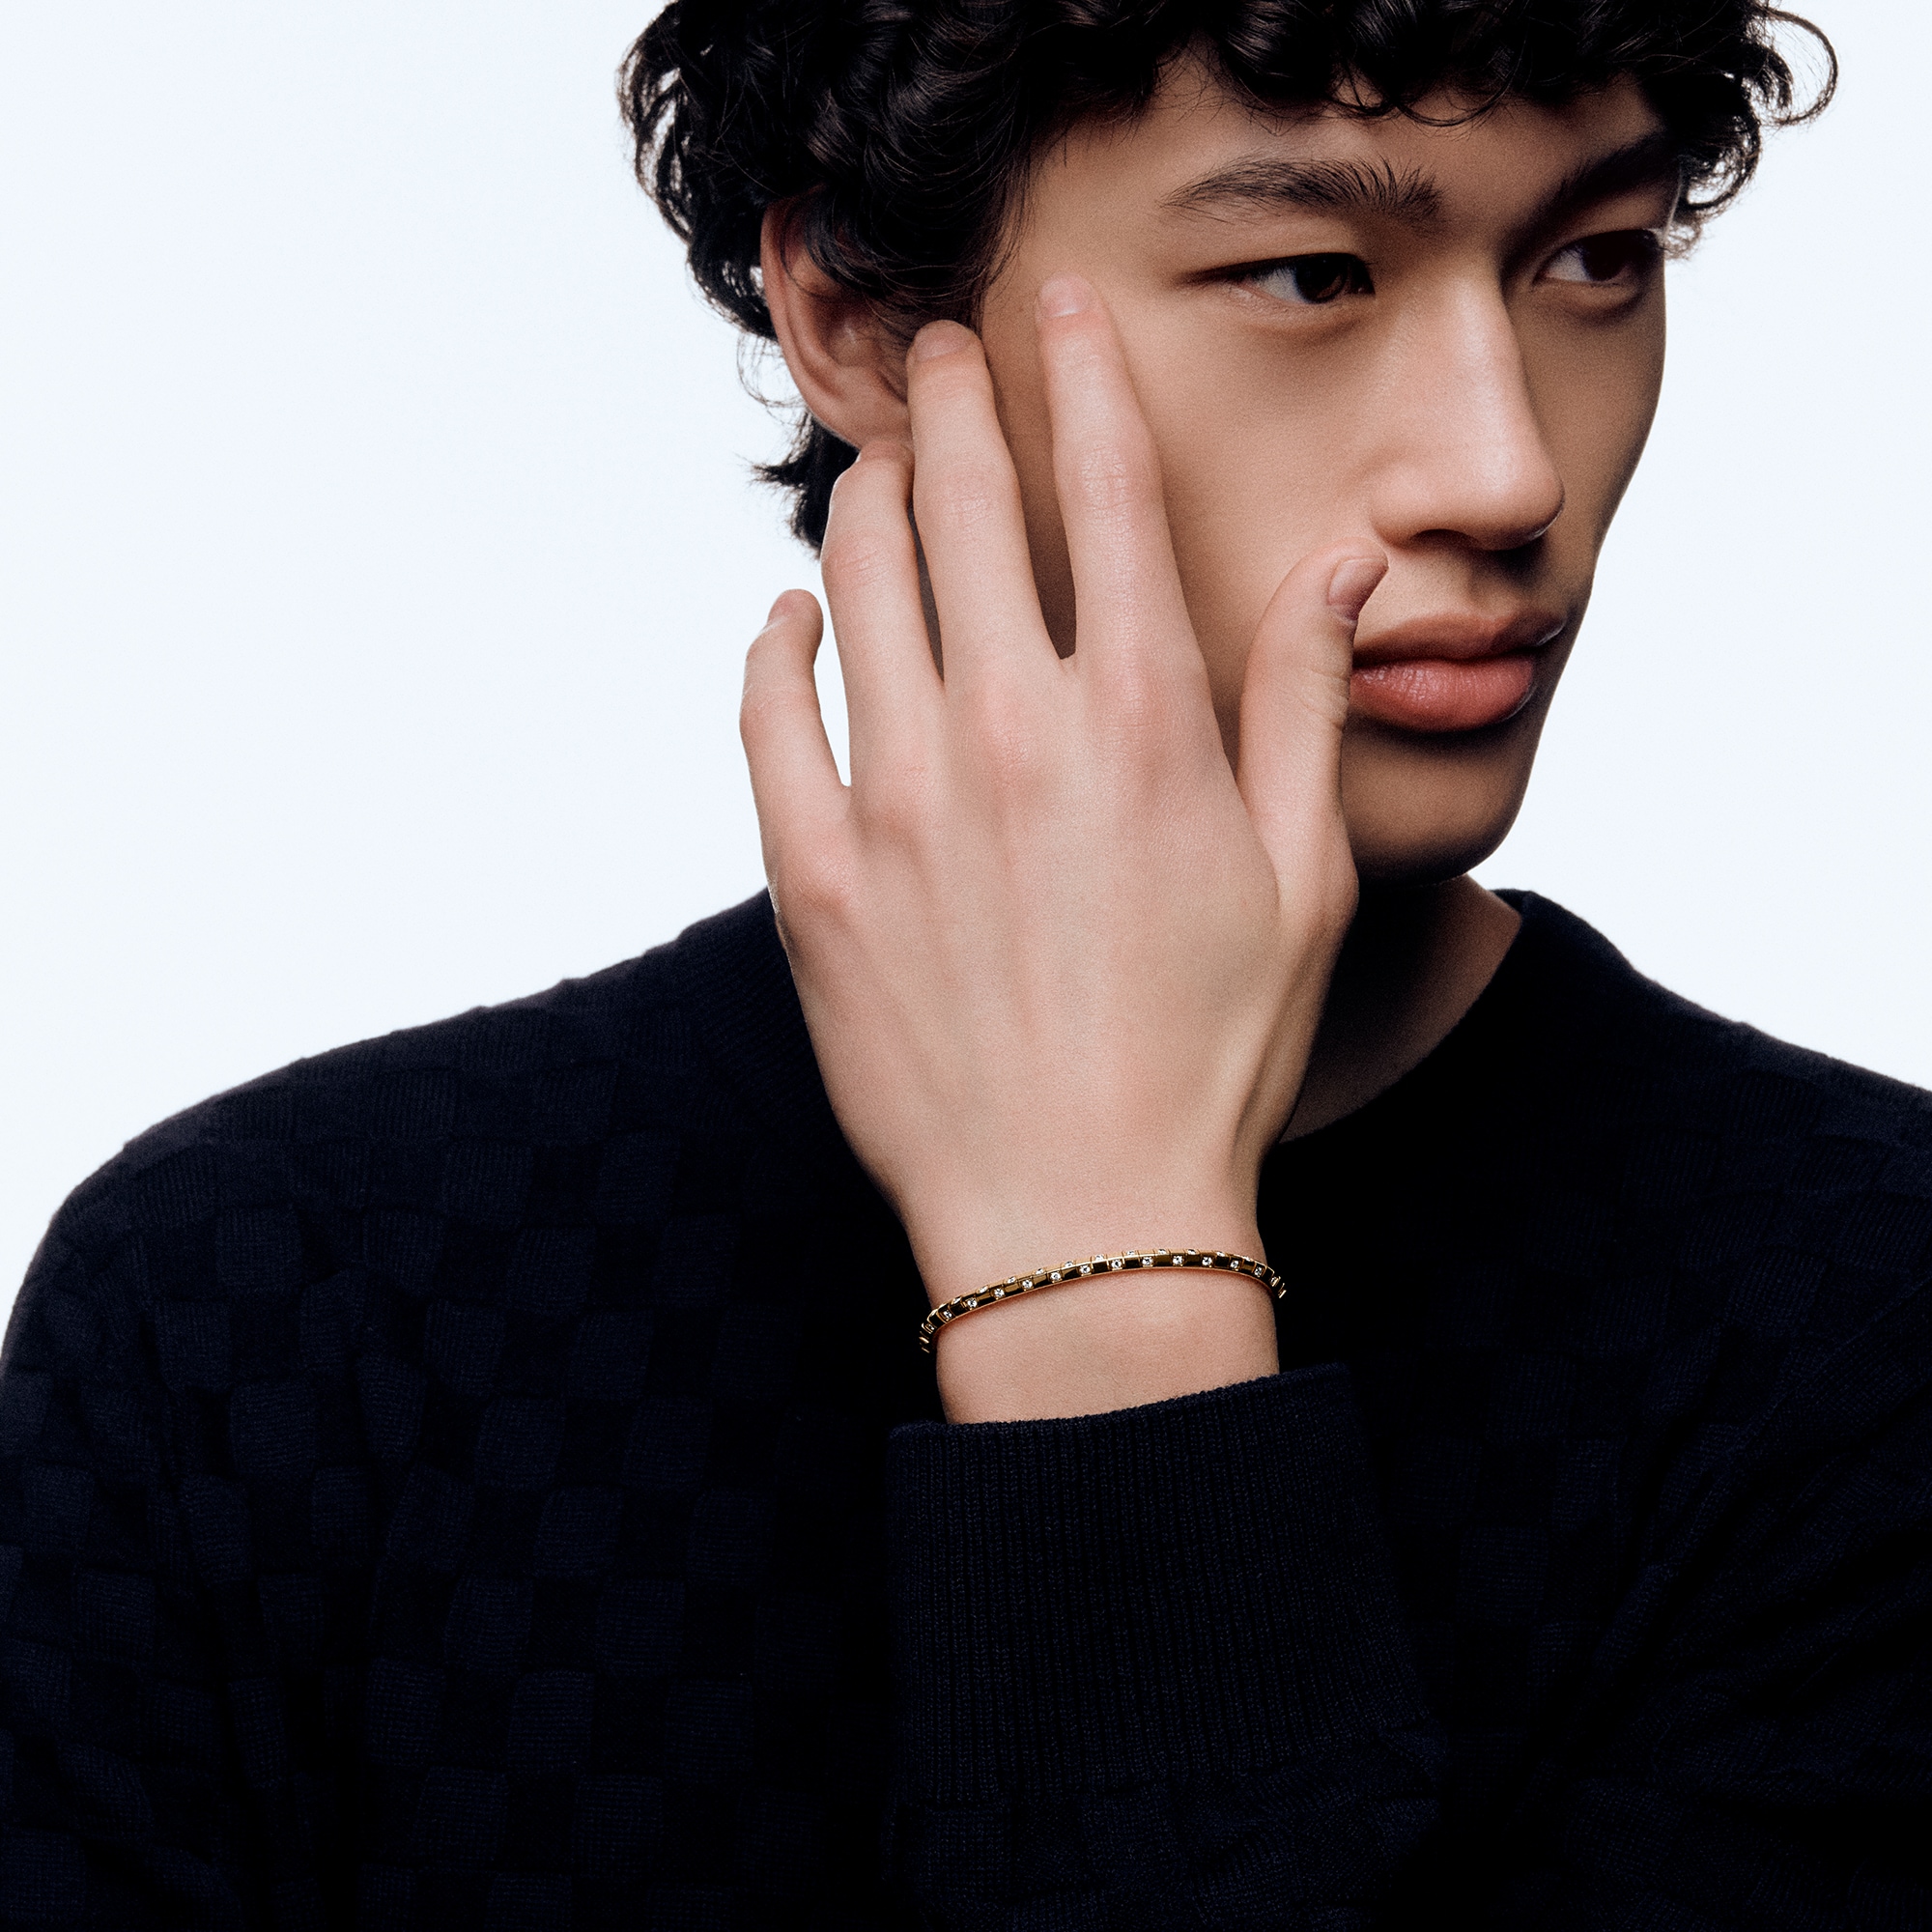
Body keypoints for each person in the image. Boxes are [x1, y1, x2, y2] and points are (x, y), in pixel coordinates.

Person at [2, 0, 1926, 1926]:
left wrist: (1113, 1319)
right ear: (853, 315)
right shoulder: (264, 1318)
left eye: (1596, 258)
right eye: (1311, 274)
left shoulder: (1864, 1323)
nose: (1505, 473)